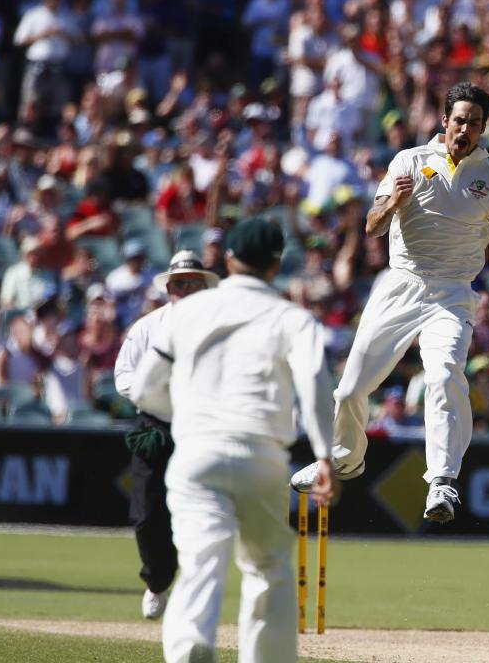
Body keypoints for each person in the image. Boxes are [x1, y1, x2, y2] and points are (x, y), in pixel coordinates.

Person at [291, 82, 489, 523]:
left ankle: (442, 481)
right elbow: (372, 226)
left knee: (444, 374)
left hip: (453, 293)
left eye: (474, 123)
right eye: (459, 120)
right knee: (349, 389)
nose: (465, 129)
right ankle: (345, 458)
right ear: (444, 121)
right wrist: (393, 204)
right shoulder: (409, 161)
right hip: (400, 285)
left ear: (483, 128)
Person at [129, 219, 337, 663]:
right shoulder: (293, 318)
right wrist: (324, 457)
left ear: (227, 262)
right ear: (276, 264)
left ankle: (189, 649)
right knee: (268, 570)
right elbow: (316, 388)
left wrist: (188, 407)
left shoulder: (184, 312)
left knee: (201, 559)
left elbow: (145, 389)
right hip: (262, 457)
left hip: (196, 453)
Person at [113, 250, 220, 620]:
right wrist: (157, 393)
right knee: (146, 514)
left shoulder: (220, 330)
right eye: (179, 284)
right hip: (156, 426)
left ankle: (194, 589)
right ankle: (158, 580)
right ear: (168, 289)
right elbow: (124, 376)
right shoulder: (148, 327)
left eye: (193, 282)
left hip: (202, 428)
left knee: (200, 513)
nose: (186, 289)